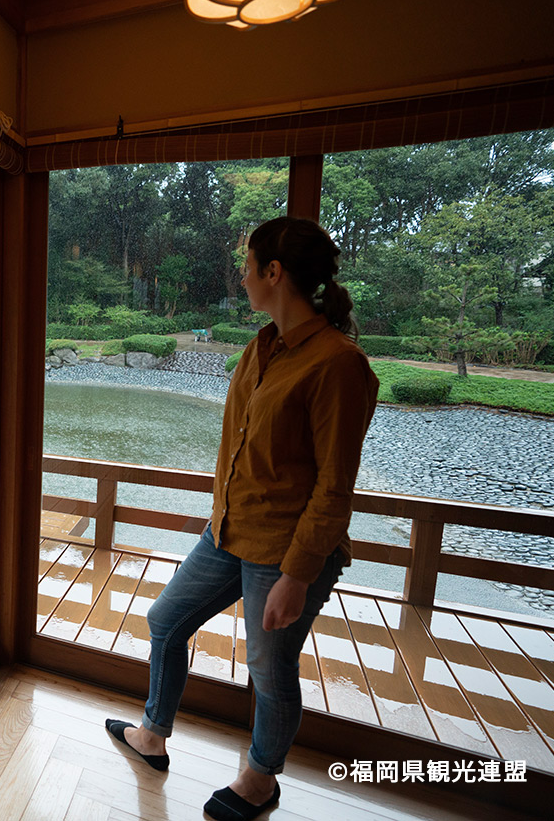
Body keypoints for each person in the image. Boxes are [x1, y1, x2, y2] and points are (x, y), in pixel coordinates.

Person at [105, 216, 379, 821]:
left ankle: (260, 780)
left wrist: (297, 575)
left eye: (247, 264)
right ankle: (152, 735)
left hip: (285, 552)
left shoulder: (338, 365)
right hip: (229, 531)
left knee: (270, 669)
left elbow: (335, 487)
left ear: (273, 273)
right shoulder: (262, 347)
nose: (241, 273)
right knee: (165, 620)